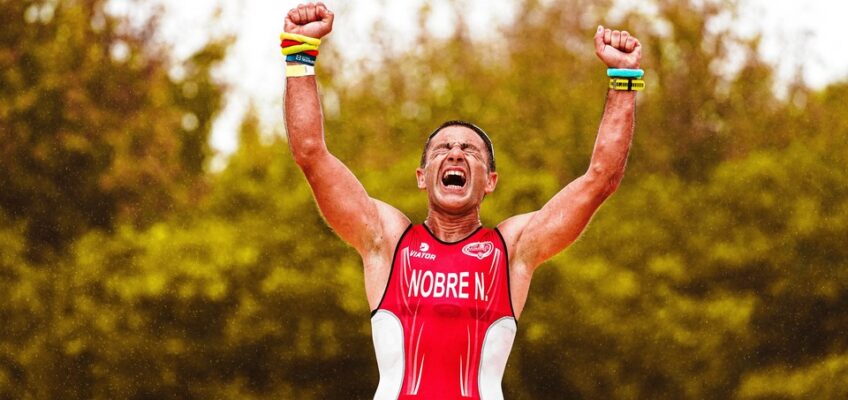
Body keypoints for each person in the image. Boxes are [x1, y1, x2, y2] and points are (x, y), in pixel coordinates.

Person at [283, 2, 642, 399]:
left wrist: (623, 77)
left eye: (470, 150)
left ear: (490, 181)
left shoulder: (511, 250)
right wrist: (300, 51)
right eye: (443, 148)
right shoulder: (387, 241)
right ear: (422, 177)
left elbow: (600, 179)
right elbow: (311, 154)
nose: (455, 153)